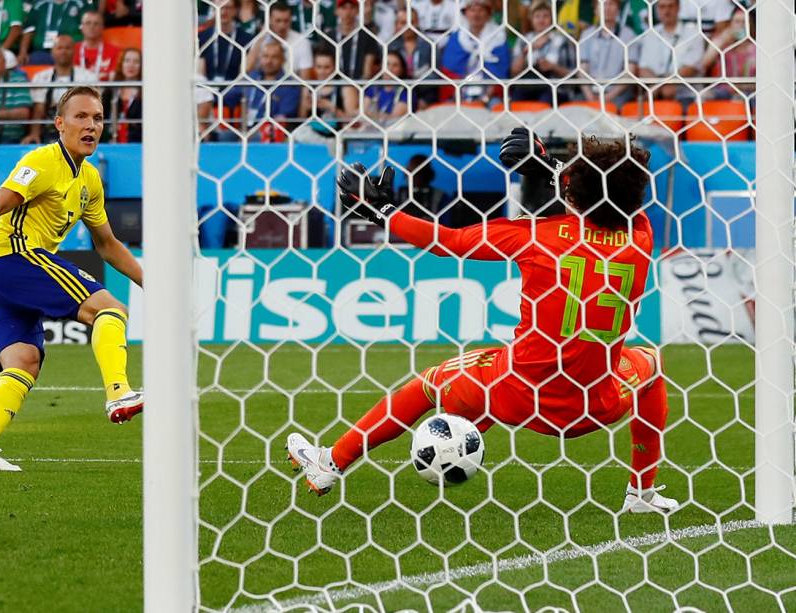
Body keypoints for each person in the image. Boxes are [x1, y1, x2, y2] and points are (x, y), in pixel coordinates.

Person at [288, 128, 680, 514]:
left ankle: (329, 463)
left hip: (516, 393)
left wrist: (383, 212)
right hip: (594, 405)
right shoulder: (641, 236)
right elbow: (612, 196)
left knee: (431, 382)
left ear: (574, 192)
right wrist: (552, 167)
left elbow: (450, 242)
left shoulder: (538, 237)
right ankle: (641, 493)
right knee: (651, 364)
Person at [0, 86, 144, 472]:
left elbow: (107, 245)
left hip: (1, 276)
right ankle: (119, 392)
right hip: (15, 258)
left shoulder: (89, 180)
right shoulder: (42, 161)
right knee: (109, 309)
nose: (91, 126)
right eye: (81, 117)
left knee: (23, 360)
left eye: (98, 118)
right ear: (59, 124)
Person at [23, 34, 97, 145]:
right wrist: (35, 134)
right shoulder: (40, 77)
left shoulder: (88, 77)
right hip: (48, 129)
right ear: (52, 52)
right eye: (59, 48)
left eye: (67, 48)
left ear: (74, 51)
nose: (63, 51)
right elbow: (38, 110)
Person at [633, 0, 705, 101]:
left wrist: (668, 84)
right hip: (656, 93)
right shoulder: (651, 34)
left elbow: (691, 68)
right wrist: (659, 86)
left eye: (670, 6)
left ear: (678, 7)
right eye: (662, 7)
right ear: (656, 9)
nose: (666, 11)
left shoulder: (693, 33)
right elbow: (643, 68)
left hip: (687, 94)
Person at [440, 0, 510, 103]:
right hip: (459, 92)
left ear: (488, 13)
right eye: (472, 10)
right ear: (465, 13)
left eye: (481, 10)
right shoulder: (457, 38)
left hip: (490, 94)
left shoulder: (499, 38)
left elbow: (501, 70)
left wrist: (488, 94)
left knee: (496, 106)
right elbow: (449, 69)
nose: (476, 15)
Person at [510, 0, 577, 103]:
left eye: (545, 16)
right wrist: (525, 53)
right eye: (537, 16)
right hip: (528, 87)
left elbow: (573, 75)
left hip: (555, 89)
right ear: (531, 19)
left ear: (552, 18)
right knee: (516, 99)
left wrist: (553, 67)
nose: (541, 20)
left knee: (546, 98)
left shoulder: (563, 40)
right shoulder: (523, 40)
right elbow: (514, 73)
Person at [578, 0, 639, 107]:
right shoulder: (586, 35)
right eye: (602, 4)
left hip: (618, 94)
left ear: (618, 9)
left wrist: (608, 97)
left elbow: (629, 72)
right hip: (591, 92)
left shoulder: (629, 35)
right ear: (595, 10)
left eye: (611, 4)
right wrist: (590, 96)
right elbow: (582, 70)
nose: (607, 8)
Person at [245, 1, 313, 80]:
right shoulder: (260, 40)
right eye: (278, 21)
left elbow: (305, 80)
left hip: (290, 88)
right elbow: (246, 70)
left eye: (286, 21)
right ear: (269, 20)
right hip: (262, 88)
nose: (282, 25)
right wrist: (261, 38)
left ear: (291, 19)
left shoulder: (302, 42)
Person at [700, 5, 755, 100]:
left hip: (750, 92)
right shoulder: (723, 45)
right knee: (704, 96)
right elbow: (704, 64)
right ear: (731, 24)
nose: (741, 25)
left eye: (745, 22)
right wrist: (722, 40)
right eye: (737, 22)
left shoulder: (756, 48)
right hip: (724, 91)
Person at [18, 0, 85, 66]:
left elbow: (88, 28)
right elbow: (28, 30)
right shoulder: (39, 4)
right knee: (33, 61)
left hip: (70, 51)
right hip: (43, 52)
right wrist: (23, 52)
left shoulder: (80, 4)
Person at [102, 47, 141, 143]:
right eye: (127, 61)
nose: (131, 65)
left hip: (137, 143)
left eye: (136, 62)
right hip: (111, 142)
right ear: (121, 64)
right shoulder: (110, 90)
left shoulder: (146, 92)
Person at [363, 50, 409, 125]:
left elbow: (393, 120)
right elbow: (363, 112)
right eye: (387, 64)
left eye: (395, 65)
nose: (389, 69)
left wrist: (370, 115)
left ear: (401, 70)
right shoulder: (373, 88)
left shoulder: (405, 93)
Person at [73, 9, 120, 81]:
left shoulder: (114, 51)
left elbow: (113, 78)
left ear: (102, 28)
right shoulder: (72, 50)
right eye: (88, 23)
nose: (92, 27)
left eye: (96, 23)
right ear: (81, 27)